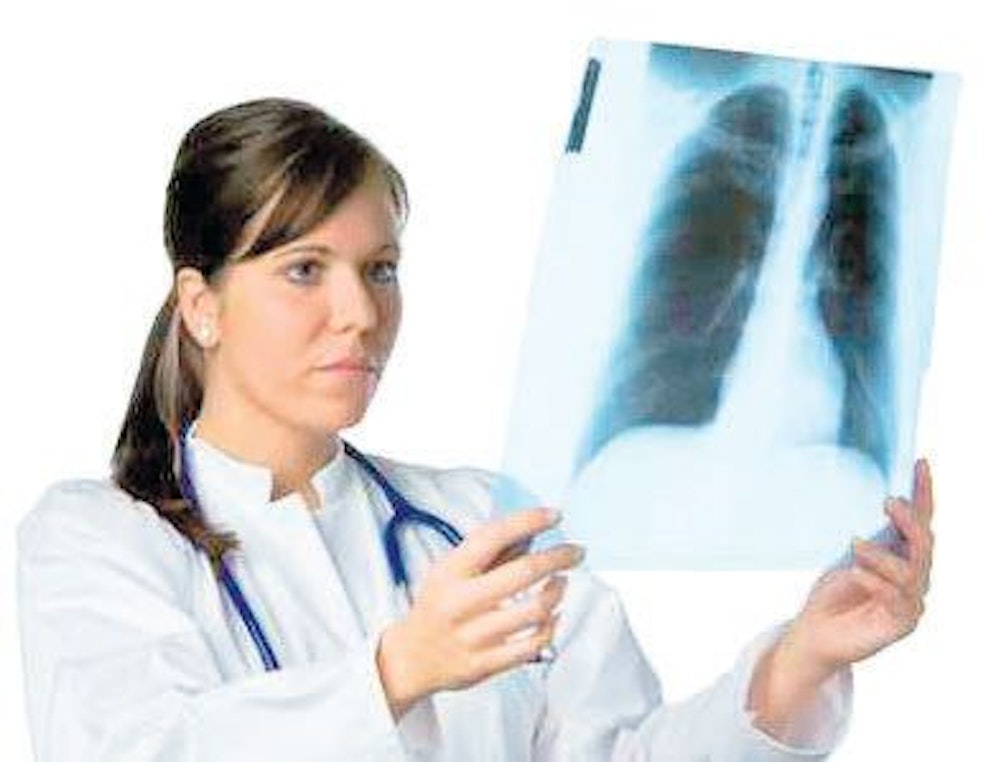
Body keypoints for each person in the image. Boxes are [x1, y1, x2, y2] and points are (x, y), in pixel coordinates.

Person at [16, 97, 935, 761]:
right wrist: (396, 671)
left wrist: (800, 663)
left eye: (380, 270)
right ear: (201, 305)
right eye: (305, 270)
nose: (360, 315)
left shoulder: (476, 521)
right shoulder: (96, 538)